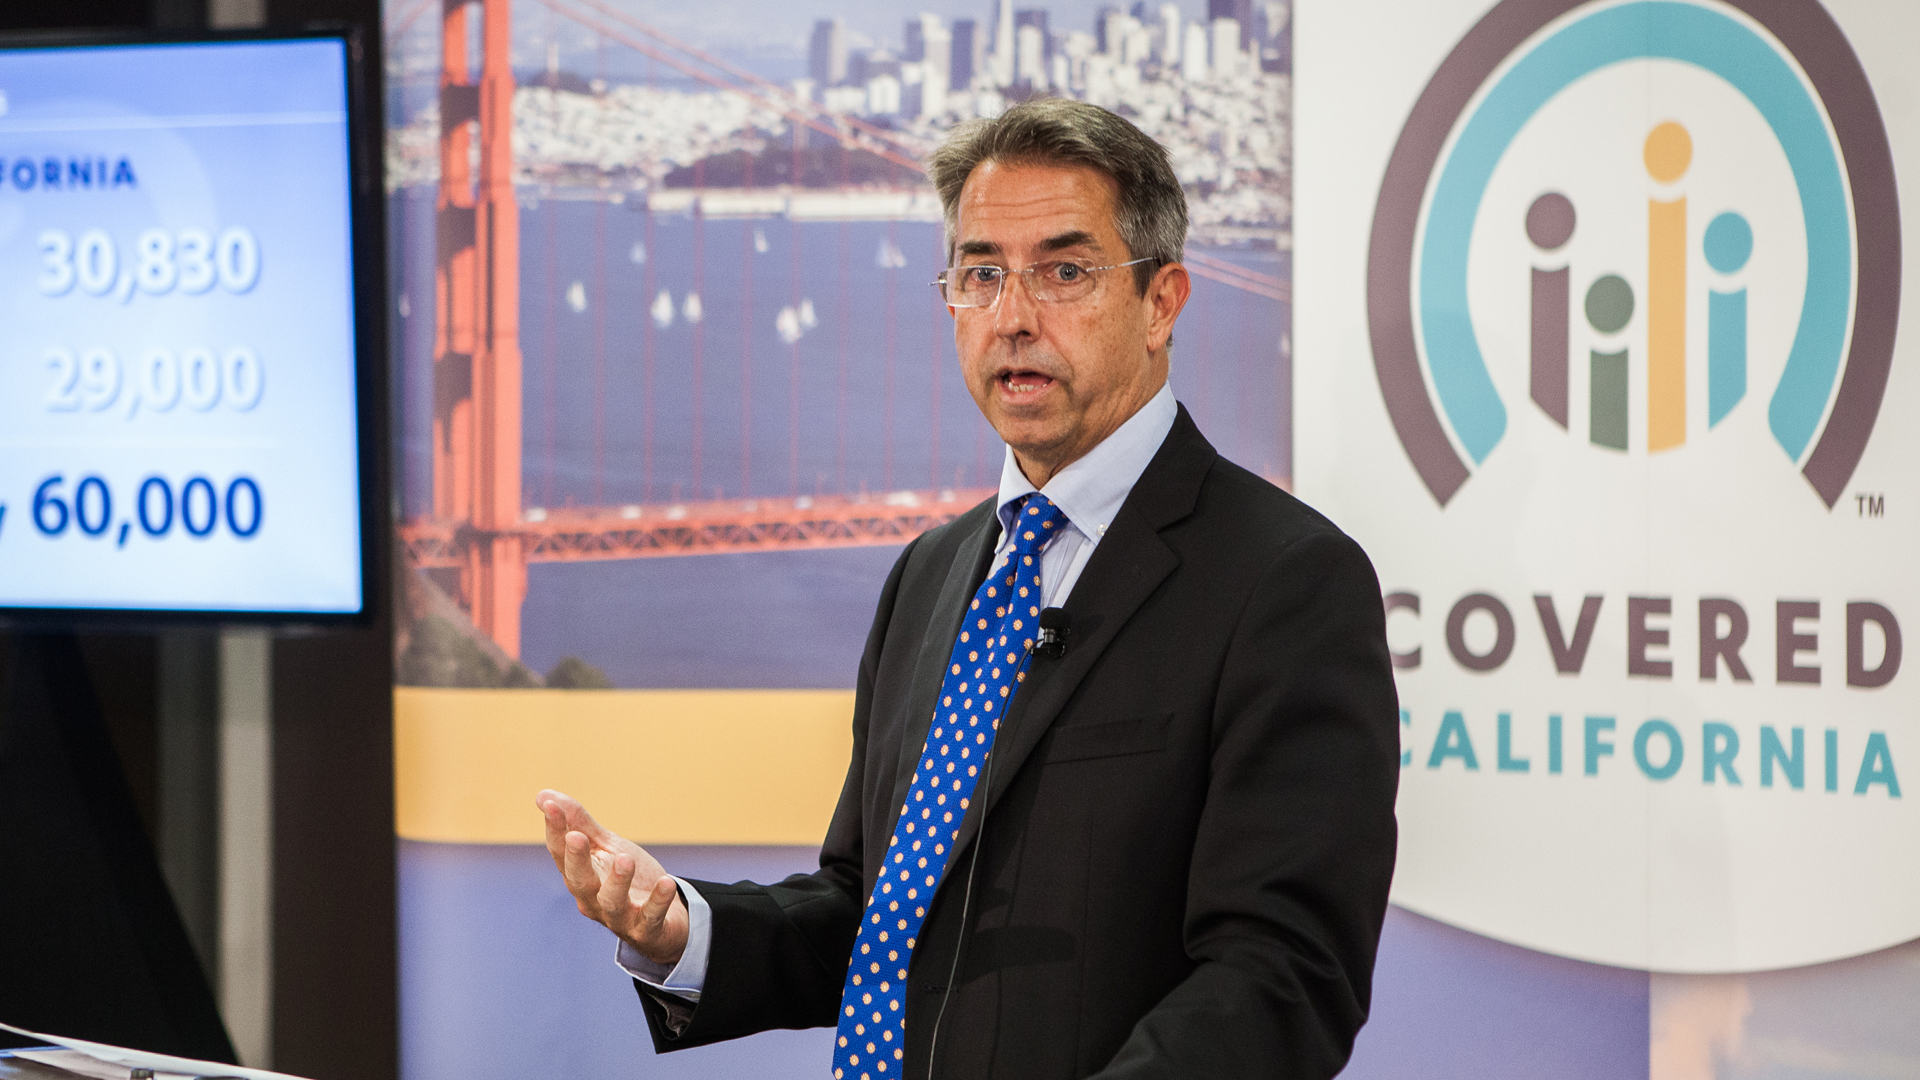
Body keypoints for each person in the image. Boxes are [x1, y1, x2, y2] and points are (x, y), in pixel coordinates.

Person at [537, 98, 1400, 1079]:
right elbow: (875, 918)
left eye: (1064, 272)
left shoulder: (1286, 583)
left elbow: (1285, 976)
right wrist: (680, 929)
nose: (1013, 316)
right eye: (981, 274)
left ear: (1162, 303)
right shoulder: (933, 572)